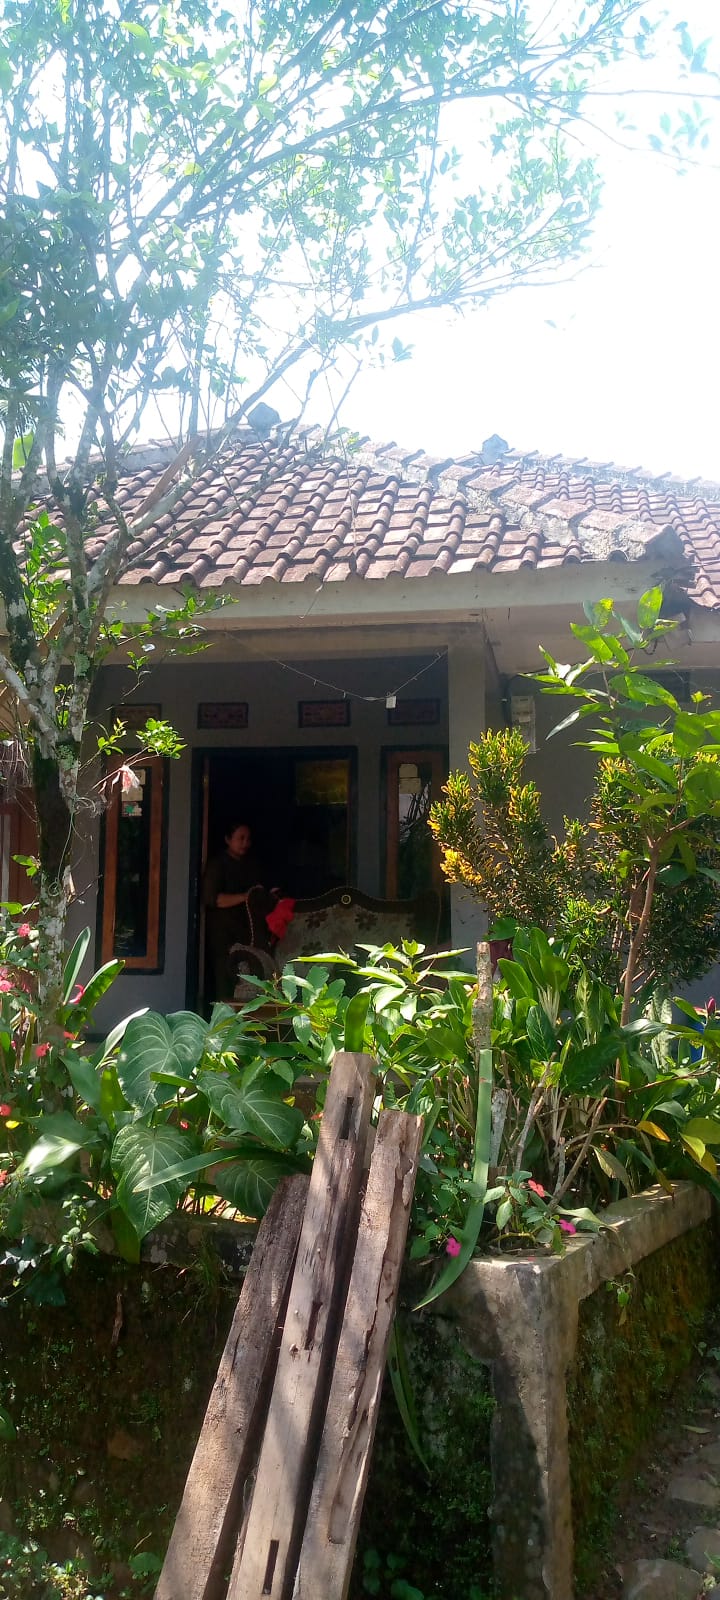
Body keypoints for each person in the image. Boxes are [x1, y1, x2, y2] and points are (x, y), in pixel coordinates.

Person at [202, 822, 272, 1000]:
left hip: (245, 931)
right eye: (241, 838)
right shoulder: (218, 864)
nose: (245, 843)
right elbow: (213, 899)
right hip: (223, 933)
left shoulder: (251, 865)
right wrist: (245, 897)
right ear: (228, 839)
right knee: (224, 977)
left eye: (248, 839)